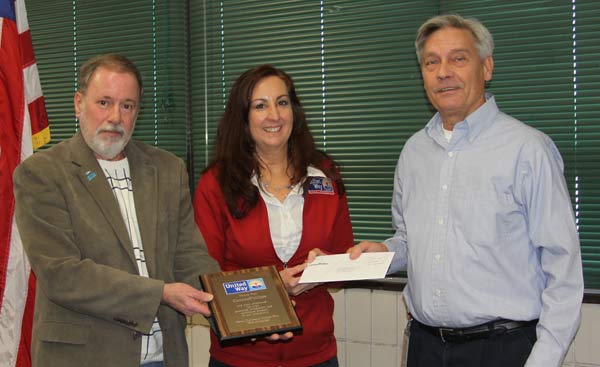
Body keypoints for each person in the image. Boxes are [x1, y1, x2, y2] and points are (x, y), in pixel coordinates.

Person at [348, 14, 583, 367]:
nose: (443, 72)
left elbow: (562, 269)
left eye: (458, 58)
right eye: (431, 62)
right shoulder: (414, 152)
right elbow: (411, 240)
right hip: (425, 347)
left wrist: (542, 361)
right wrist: (383, 252)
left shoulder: (528, 149)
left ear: (486, 67)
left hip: (503, 348)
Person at [13, 53, 220, 367]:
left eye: (127, 106)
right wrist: (160, 293)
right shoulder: (41, 173)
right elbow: (62, 274)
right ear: (79, 104)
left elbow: (189, 257)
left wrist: (239, 314)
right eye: (104, 102)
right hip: (85, 357)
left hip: (165, 356)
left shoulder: (167, 168)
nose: (115, 117)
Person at [193, 64, 354, 367]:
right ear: (243, 118)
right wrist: (273, 287)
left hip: (315, 355)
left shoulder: (326, 174)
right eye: (260, 106)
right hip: (240, 357)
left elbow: (343, 261)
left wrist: (325, 266)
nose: (274, 116)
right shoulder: (216, 184)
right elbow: (207, 279)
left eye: (282, 102)